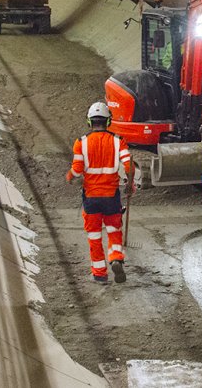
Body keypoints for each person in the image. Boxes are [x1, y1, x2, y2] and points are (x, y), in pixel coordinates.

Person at [67, 102, 134, 284]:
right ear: (108, 121)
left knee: (94, 237)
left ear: (90, 122)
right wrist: (130, 185)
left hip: (90, 198)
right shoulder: (118, 141)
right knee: (114, 230)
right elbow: (129, 165)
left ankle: (99, 273)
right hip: (111, 197)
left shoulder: (81, 143)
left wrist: (69, 177)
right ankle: (116, 258)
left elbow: (77, 170)